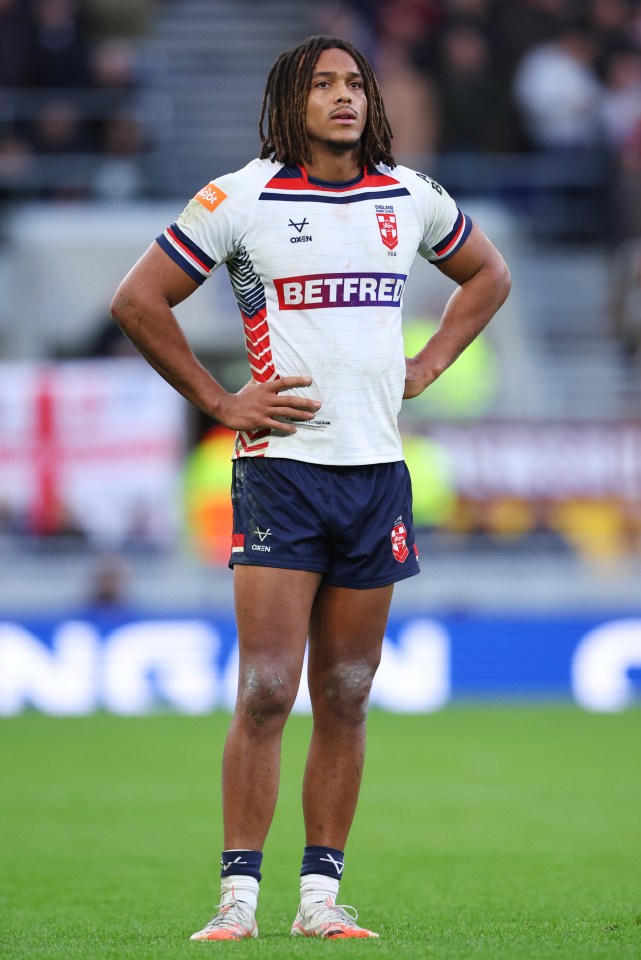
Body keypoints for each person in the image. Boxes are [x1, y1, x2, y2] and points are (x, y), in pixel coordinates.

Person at [110, 34, 510, 941]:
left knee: (347, 688)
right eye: (323, 84)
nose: (343, 97)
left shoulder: (407, 197)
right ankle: (237, 902)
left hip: (375, 476)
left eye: (355, 83)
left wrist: (430, 361)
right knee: (263, 689)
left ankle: (320, 900)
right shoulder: (239, 197)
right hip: (280, 473)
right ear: (290, 102)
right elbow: (138, 300)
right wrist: (219, 400)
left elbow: (488, 274)